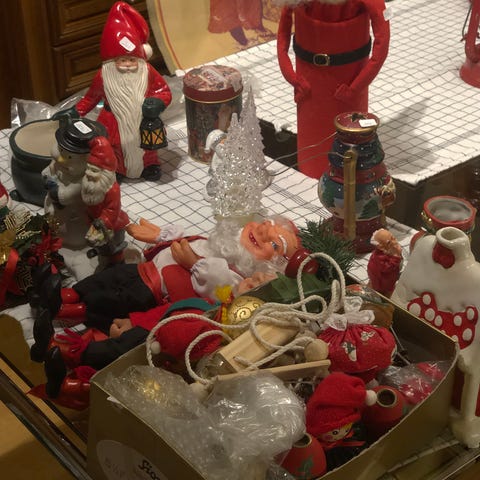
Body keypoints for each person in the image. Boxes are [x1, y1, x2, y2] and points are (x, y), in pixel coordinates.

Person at [29, 216, 298, 408]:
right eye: (264, 225)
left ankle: (64, 359)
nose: (262, 233)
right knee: (102, 284)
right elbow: (172, 308)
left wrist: (193, 263)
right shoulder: (215, 246)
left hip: (155, 317)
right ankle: (58, 302)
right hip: (143, 278)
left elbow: (179, 308)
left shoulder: (225, 285)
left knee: (116, 349)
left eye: (274, 244)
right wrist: (161, 236)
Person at [276, 0, 390, 178]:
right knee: (313, 156)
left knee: (347, 150)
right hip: (311, 91)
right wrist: (294, 79)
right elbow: (282, 39)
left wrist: (354, 89)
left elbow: (381, 46)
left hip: (345, 92)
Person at [73, 2, 172, 181]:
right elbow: (90, 99)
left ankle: (150, 165)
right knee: (113, 144)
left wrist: (157, 102)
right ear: (112, 61)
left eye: (132, 60)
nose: (127, 65)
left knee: (147, 143)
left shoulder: (147, 71)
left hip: (142, 118)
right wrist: (75, 112)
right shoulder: (104, 75)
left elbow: (163, 90)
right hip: (112, 121)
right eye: (122, 60)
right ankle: (117, 168)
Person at [42, 117, 106, 249]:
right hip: (54, 209)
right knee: (51, 225)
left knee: (75, 237)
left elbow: (63, 197)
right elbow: (45, 173)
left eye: (70, 157)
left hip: (74, 215)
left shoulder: (86, 180)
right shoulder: (58, 164)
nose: (61, 159)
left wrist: (51, 183)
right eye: (60, 150)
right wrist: (48, 177)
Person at [81, 136, 130, 266]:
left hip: (112, 225)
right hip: (95, 224)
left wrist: (102, 221)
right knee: (102, 246)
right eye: (88, 168)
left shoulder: (112, 189)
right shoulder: (89, 185)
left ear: (105, 173)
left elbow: (112, 209)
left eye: (94, 170)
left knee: (114, 248)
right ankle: (103, 257)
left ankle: (117, 264)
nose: (89, 173)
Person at [366, 228, 402, 297]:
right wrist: (396, 257)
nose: (394, 242)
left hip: (389, 278)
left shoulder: (389, 251)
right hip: (381, 281)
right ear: (380, 247)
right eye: (389, 242)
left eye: (393, 238)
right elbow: (387, 268)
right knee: (385, 290)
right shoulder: (379, 257)